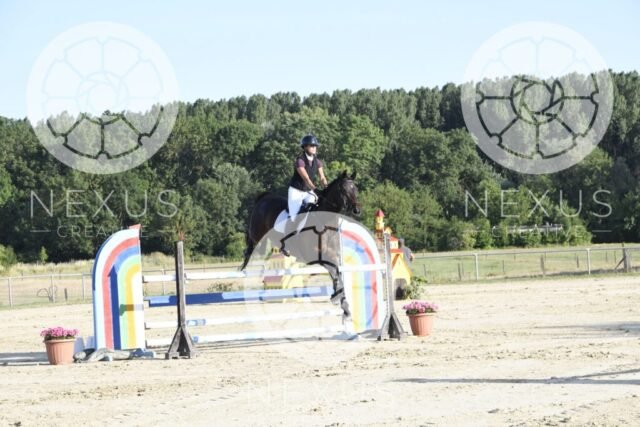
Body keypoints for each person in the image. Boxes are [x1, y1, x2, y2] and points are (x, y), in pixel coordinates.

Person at [288, 133, 328, 222]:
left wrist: (326, 188)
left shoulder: (317, 161)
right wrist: (316, 190)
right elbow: (306, 179)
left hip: (308, 192)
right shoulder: (300, 161)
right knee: (294, 218)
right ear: (305, 147)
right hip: (296, 191)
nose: (314, 148)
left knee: (317, 209)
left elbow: (322, 178)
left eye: (315, 146)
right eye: (312, 146)